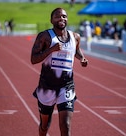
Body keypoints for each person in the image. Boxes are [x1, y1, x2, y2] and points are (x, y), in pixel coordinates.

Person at [31, 8, 88, 136]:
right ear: (51, 20)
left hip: (66, 86)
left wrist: (82, 58)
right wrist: (51, 50)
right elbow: (33, 59)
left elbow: (76, 50)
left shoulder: (75, 37)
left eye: (64, 16)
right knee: (44, 126)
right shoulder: (45, 36)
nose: (61, 19)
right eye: (58, 16)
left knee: (65, 126)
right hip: (47, 88)